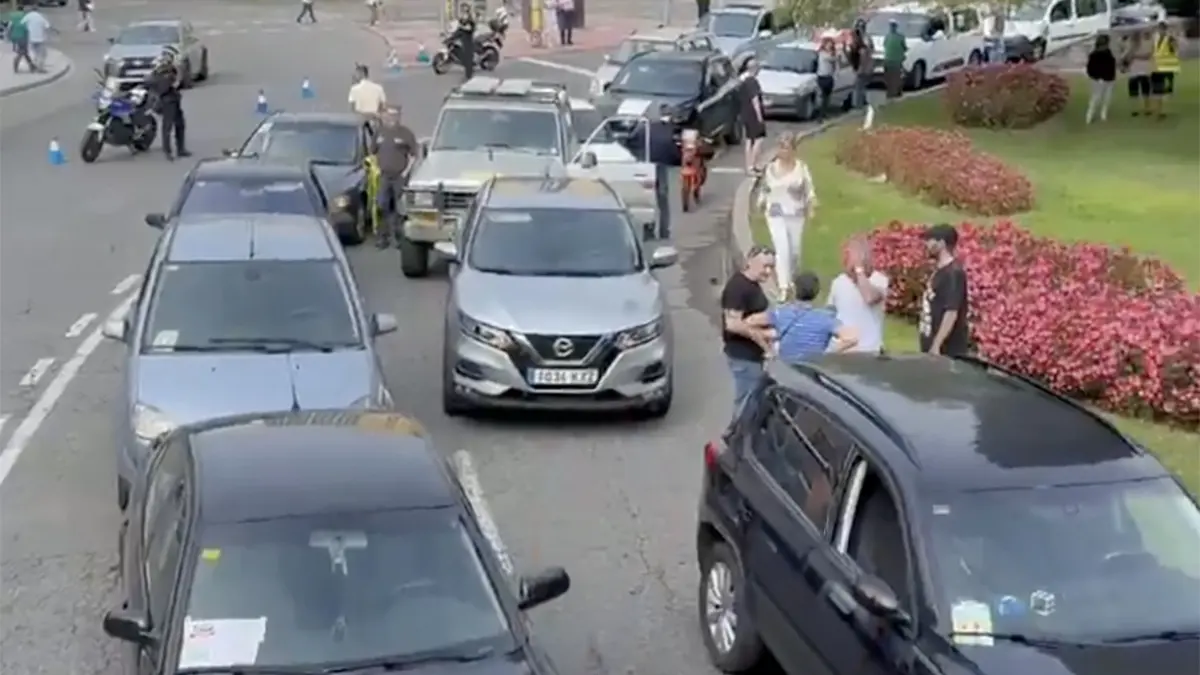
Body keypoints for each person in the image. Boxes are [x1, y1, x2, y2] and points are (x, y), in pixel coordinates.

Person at [747, 271, 858, 363]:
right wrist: (827, 354)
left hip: (788, 370)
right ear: (817, 293)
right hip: (811, 370)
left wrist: (767, 343)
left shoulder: (782, 313)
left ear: (795, 290)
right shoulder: (824, 318)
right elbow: (851, 338)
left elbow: (750, 322)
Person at [758, 133, 815, 300]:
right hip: (775, 213)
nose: (782, 151)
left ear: (793, 150)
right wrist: (761, 203)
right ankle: (784, 287)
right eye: (780, 147)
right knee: (782, 248)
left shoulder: (801, 168)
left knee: (795, 251)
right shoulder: (771, 168)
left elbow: (809, 190)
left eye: (786, 147)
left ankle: (792, 279)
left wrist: (811, 207)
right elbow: (765, 188)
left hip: (796, 214)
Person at [721, 244, 775, 413]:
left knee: (753, 404)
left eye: (771, 267)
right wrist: (761, 337)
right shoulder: (738, 288)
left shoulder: (753, 285)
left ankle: (745, 437)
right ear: (750, 262)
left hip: (753, 357)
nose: (768, 271)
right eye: (765, 266)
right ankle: (735, 437)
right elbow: (732, 324)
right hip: (743, 357)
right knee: (746, 406)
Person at [626, 103, 680, 239]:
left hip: (646, 165)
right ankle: (664, 231)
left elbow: (630, 141)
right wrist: (677, 160)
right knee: (662, 200)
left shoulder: (646, 126)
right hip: (661, 165)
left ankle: (648, 229)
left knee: (647, 200)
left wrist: (638, 154)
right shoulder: (671, 130)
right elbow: (674, 149)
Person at [827, 237, 888, 353]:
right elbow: (830, 314)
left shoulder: (879, 280)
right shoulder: (838, 282)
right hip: (844, 351)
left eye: (849, 255)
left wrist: (859, 270)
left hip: (870, 351)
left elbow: (869, 298)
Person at [917, 224, 970, 356]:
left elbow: (951, 312)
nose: (926, 245)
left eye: (930, 241)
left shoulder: (953, 274)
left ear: (941, 243)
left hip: (945, 351)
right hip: (930, 347)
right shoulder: (939, 271)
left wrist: (936, 345)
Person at [371, 106, 419, 249]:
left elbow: (414, 155)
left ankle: (399, 238)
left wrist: (406, 172)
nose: (390, 118)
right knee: (381, 206)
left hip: (400, 177)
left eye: (393, 115)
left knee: (400, 209)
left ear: (398, 117)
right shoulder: (379, 133)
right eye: (388, 115)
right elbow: (372, 153)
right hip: (383, 176)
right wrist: (376, 169)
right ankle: (382, 238)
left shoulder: (405, 133)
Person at [148, 49, 189, 160]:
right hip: (167, 102)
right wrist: (171, 80)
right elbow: (163, 87)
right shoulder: (158, 74)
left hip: (174, 100)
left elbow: (179, 82)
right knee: (167, 126)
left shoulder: (170, 71)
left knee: (180, 125)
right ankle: (167, 151)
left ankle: (181, 149)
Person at [738, 57, 766, 175]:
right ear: (755, 69)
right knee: (759, 139)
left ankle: (748, 166)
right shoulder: (753, 82)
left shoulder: (744, 81)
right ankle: (753, 165)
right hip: (753, 115)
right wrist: (760, 116)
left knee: (749, 140)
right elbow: (755, 100)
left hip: (745, 113)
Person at [1149, 20, 1179, 119]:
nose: (1161, 31)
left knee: (1163, 90)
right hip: (1157, 67)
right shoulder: (1155, 38)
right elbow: (1153, 51)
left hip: (1167, 67)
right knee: (1157, 90)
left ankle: (1160, 110)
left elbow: (1175, 48)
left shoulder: (1169, 38)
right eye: (1159, 29)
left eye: (1162, 29)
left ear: (1165, 29)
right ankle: (1158, 110)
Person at [1085, 34, 1116, 125]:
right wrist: (1096, 77)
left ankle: (1103, 114)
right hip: (1098, 79)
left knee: (1107, 97)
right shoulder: (1094, 55)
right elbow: (1090, 69)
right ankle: (1089, 115)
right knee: (1096, 98)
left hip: (1109, 78)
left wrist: (1112, 76)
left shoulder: (1109, 53)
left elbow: (1112, 65)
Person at [1122, 30, 1154, 117]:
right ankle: (1134, 109)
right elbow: (1125, 59)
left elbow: (1148, 55)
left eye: (1136, 36)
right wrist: (1129, 54)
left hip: (1144, 71)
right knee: (1133, 92)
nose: (1135, 38)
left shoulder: (1146, 44)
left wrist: (1135, 55)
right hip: (1133, 72)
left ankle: (1147, 108)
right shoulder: (1128, 46)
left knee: (1146, 91)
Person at [848, 20, 873, 109]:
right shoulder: (860, 39)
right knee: (860, 86)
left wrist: (861, 68)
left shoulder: (864, 40)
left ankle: (858, 105)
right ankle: (861, 102)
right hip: (861, 67)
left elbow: (865, 54)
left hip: (862, 68)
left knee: (859, 86)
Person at [815, 35, 839, 120]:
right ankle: (820, 115)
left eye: (831, 44)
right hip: (822, 76)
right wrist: (835, 56)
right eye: (828, 44)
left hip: (829, 77)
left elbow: (836, 63)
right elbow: (831, 59)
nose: (830, 46)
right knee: (823, 97)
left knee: (827, 97)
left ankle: (824, 113)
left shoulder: (832, 53)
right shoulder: (822, 53)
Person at [21, 7, 51, 73]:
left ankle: (33, 67)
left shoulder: (28, 16)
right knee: (42, 54)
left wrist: (27, 29)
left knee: (33, 53)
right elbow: (47, 26)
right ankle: (40, 68)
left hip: (31, 38)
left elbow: (22, 24)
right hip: (41, 38)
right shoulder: (41, 17)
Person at [882, 19, 906, 99]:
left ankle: (893, 92)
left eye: (892, 26)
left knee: (893, 77)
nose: (891, 28)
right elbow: (904, 47)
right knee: (893, 77)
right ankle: (893, 92)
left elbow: (884, 45)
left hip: (892, 60)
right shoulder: (898, 36)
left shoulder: (889, 36)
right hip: (893, 60)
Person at [8, 4, 34, 74]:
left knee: (24, 51)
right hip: (22, 35)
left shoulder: (13, 16)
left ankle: (31, 66)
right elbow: (27, 27)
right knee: (22, 51)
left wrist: (9, 36)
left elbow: (10, 26)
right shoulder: (24, 16)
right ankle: (15, 65)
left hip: (15, 36)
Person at [453, 2, 476, 80]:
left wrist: (462, 27)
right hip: (464, 39)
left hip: (468, 39)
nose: (463, 9)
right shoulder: (463, 17)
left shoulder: (470, 18)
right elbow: (459, 26)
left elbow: (469, 28)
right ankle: (468, 73)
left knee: (468, 56)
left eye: (464, 8)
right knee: (465, 55)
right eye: (462, 8)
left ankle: (469, 74)